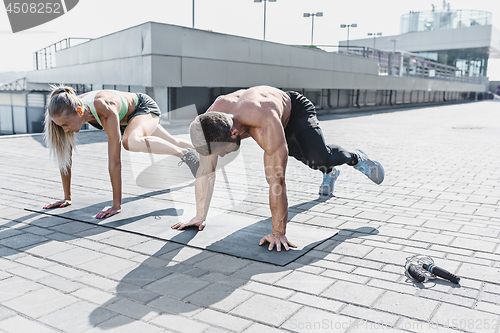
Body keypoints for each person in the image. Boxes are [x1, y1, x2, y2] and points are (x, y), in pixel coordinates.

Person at [171, 85, 384, 251]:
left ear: (234, 133)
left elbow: (277, 182)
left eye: (222, 151)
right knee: (304, 157)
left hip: (294, 111)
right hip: (270, 118)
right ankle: (330, 174)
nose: (222, 156)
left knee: (319, 157)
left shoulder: (264, 123)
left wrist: (278, 232)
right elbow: (205, 172)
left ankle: (355, 158)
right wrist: (199, 216)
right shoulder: (211, 122)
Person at [43, 86, 199, 218]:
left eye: (66, 124)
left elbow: (115, 162)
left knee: (130, 141)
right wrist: (67, 197)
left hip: (141, 108)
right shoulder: (70, 109)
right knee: (172, 142)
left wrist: (116, 205)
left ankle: (185, 154)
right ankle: (205, 150)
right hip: (126, 119)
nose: (64, 129)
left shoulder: (103, 107)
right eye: (60, 126)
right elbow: (66, 160)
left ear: (79, 111)